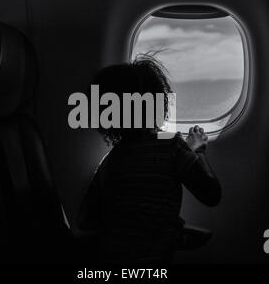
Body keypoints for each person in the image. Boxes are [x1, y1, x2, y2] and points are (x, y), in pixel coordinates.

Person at [78, 57, 221, 263]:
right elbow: (212, 194)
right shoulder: (172, 145)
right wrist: (198, 152)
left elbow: (85, 220)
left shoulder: (112, 159)